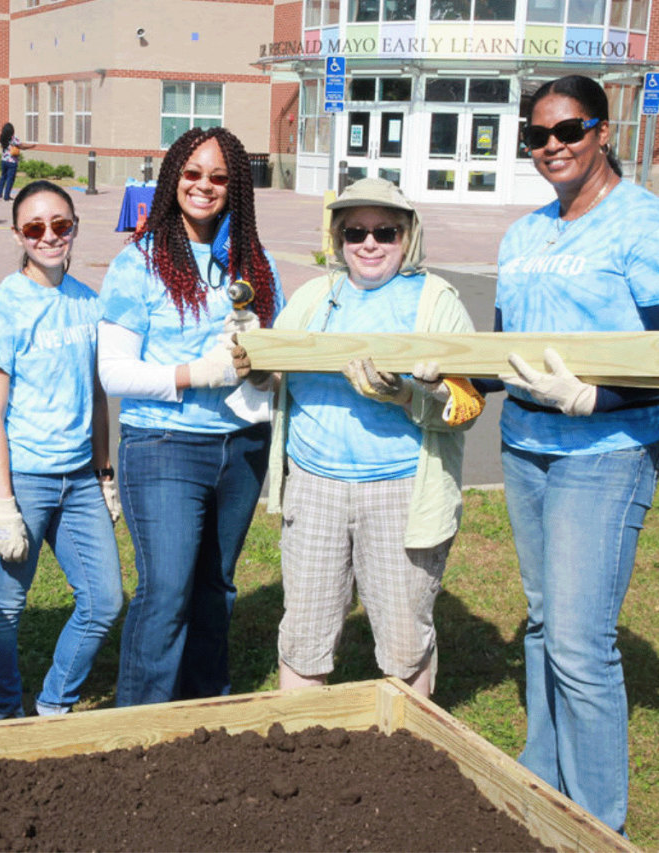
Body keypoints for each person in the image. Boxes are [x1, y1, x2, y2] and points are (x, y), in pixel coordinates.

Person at [233, 177, 482, 699]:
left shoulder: (436, 302)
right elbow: (275, 377)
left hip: (398, 491)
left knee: (404, 641)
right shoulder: (313, 297)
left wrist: (411, 396)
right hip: (315, 486)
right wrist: (253, 364)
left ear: (407, 236)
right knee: (304, 636)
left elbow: (468, 405)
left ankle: (409, 758)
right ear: (338, 238)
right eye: (355, 233)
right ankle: (300, 752)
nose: (369, 244)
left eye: (385, 232)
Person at [494, 74, 659, 834]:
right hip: (524, 445)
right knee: (538, 622)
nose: (551, 146)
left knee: (579, 642)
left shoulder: (641, 225)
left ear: (602, 131)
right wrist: (423, 376)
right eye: (536, 135)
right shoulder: (523, 233)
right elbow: (498, 350)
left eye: (567, 130)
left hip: (603, 449)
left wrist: (596, 398)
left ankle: (597, 827)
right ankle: (541, 783)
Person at [98, 126, 285, 707]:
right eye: (193, 173)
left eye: (220, 177)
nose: (204, 186)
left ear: (237, 188)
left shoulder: (254, 262)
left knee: (215, 589)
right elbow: (115, 374)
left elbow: (272, 354)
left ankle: (204, 710)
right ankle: (140, 725)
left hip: (242, 446)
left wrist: (264, 368)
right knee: (168, 590)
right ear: (172, 177)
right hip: (164, 445)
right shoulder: (139, 262)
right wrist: (194, 373)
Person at [0, 180, 122, 720]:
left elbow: (100, 394)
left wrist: (105, 474)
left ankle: (53, 704)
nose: (49, 236)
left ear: (75, 226)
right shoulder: (3, 309)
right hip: (23, 480)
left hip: (80, 478)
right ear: (19, 234)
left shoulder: (89, 301)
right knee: (6, 607)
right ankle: (5, 716)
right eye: (35, 228)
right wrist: (3, 503)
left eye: (60, 225)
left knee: (104, 601)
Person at [0, 122, 35, 202]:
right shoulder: (13, 138)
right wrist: (31, 146)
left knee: (3, 177)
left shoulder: (2, 138)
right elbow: (21, 146)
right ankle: (6, 197)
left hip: (4, 160)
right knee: (10, 179)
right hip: (12, 161)